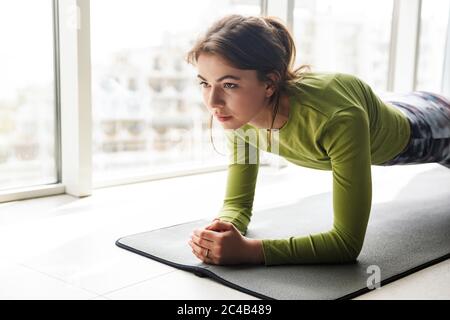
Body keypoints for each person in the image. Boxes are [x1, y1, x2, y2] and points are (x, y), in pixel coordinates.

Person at [185, 14, 450, 266]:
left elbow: (346, 244)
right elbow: (237, 204)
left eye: (229, 84)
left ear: (269, 84)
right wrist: (221, 230)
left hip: (433, 129)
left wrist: (250, 251)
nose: (212, 102)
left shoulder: (337, 119)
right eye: (205, 83)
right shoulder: (240, 118)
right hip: (395, 103)